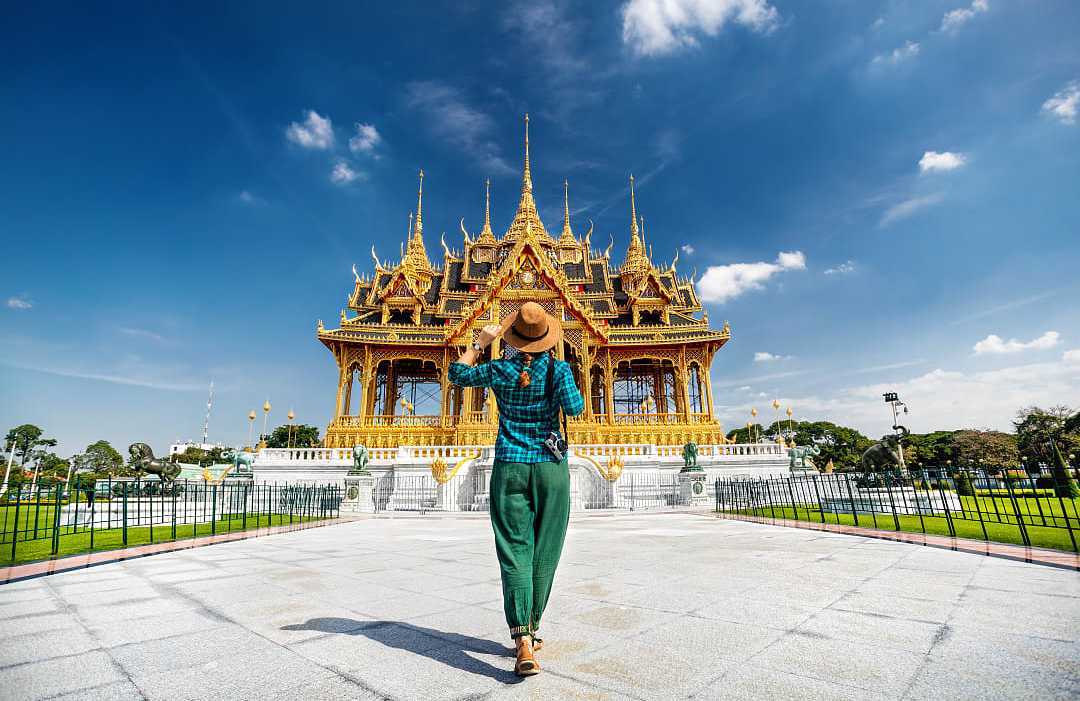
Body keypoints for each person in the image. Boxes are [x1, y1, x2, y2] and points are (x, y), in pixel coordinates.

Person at [448, 301, 584, 677]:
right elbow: (575, 408)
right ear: (547, 339)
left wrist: (479, 342)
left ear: (511, 338)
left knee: (514, 552)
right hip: (549, 467)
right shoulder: (558, 369)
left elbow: (457, 375)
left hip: (509, 463)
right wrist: (561, 382)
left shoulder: (499, 368)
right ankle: (532, 628)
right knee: (546, 549)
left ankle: (521, 636)